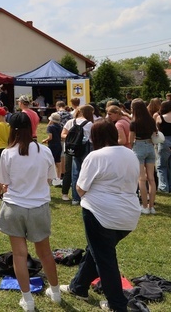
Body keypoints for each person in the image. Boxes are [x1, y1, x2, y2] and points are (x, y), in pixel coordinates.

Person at [61, 120, 141, 312]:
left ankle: (117, 305)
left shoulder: (95, 156)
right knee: (96, 250)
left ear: (95, 137)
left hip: (100, 213)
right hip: (128, 215)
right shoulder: (130, 153)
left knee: (104, 258)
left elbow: (80, 188)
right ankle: (78, 287)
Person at [0, 112, 61, 311]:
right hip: (38, 207)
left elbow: (3, 182)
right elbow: (50, 179)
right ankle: (55, 292)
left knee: (19, 255)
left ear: (11, 130)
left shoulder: (8, 153)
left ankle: (28, 299)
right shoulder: (44, 151)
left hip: (15, 207)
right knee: (45, 253)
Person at [61, 105, 94, 205]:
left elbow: (62, 135)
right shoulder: (90, 124)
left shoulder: (71, 122)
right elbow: (92, 139)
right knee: (86, 173)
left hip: (72, 149)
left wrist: (72, 139)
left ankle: (75, 198)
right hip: (85, 149)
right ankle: (85, 196)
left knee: (74, 173)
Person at [129, 98, 157, 214]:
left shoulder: (134, 122)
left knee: (141, 178)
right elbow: (155, 134)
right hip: (150, 146)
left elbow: (130, 139)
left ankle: (144, 206)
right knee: (151, 178)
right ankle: (151, 206)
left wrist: (131, 147)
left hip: (139, 145)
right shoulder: (151, 120)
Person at [156, 100, 171, 193]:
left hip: (164, 141)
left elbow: (157, 130)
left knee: (161, 166)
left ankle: (163, 187)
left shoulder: (160, 117)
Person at [44, 113, 63, 186]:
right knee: (58, 162)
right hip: (59, 145)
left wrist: (44, 140)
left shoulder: (50, 127)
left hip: (52, 145)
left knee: (50, 162)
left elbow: (50, 137)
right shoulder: (60, 126)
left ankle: (49, 178)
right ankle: (58, 178)